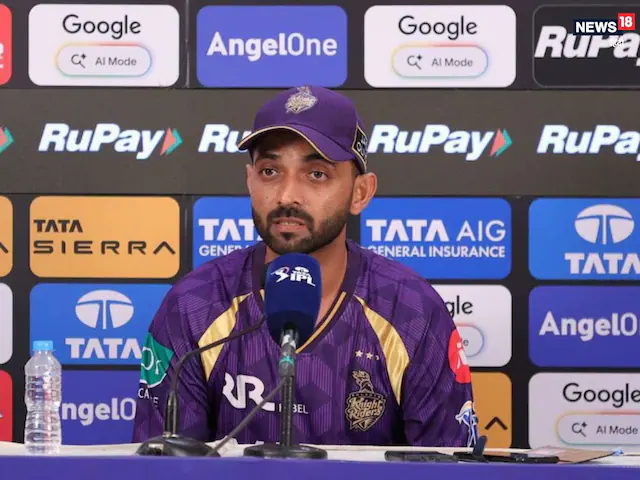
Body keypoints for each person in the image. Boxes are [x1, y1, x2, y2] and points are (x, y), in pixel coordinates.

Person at [132, 85, 477, 447]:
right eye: (270, 171)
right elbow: (162, 466)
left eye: (316, 174)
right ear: (249, 181)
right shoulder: (194, 305)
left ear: (360, 192)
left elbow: (449, 467)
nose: (286, 196)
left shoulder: (412, 311)